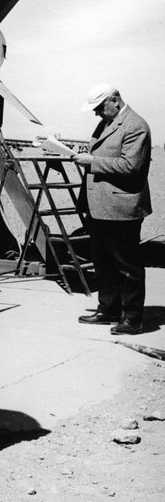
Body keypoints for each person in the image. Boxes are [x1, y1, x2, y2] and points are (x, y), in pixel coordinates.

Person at [74, 84, 153, 335]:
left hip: (121, 207)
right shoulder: (107, 122)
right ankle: (108, 309)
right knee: (103, 262)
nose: (97, 114)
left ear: (115, 100)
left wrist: (93, 161)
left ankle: (132, 318)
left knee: (126, 265)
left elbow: (132, 166)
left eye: (100, 108)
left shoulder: (136, 126)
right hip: (100, 206)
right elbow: (104, 151)